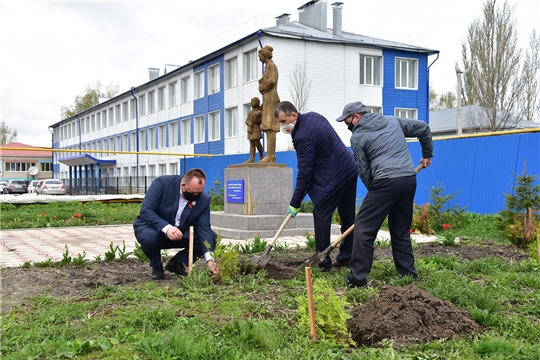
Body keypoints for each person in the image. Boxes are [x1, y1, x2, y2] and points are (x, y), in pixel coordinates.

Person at [336, 101, 433, 287]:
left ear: (356, 117)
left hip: (386, 181)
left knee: (364, 228)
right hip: (408, 178)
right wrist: (427, 154)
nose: (346, 125)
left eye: (346, 121)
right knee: (400, 230)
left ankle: (357, 278)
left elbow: (363, 169)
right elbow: (423, 128)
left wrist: (374, 190)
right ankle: (408, 276)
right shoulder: (392, 121)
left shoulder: (357, 136)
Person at [274, 101, 357, 271]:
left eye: (283, 121)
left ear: (294, 115)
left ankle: (323, 262)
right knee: (348, 217)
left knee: (321, 213)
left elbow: (305, 173)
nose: (281, 126)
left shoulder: (302, 136)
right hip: (349, 167)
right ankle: (348, 256)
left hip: (336, 176)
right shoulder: (313, 116)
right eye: (279, 122)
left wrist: (295, 202)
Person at [133, 168, 219, 280]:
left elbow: (204, 228)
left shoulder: (204, 200)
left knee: (212, 237)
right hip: (154, 229)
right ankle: (156, 265)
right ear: (183, 184)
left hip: (180, 233)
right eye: (192, 192)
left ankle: (177, 262)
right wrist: (167, 228)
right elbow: (146, 211)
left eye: (199, 193)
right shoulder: (162, 184)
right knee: (149, 237)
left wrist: (210, 259)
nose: (195, 196)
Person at [258, 45, 280, 163]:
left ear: (264, 55)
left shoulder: (271, 66)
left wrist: (262, 87)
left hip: (271, 99)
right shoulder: (267, 66)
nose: (259, 58)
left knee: (271, 128)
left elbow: (271, 81)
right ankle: (269, 155)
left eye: (260, 55)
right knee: (267, 128)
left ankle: (271, 156)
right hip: (268, 99)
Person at [244, 97, 264, 163]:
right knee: (251, 143)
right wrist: (250, 124)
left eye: (253, 101)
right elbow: (246, 121)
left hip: (256, 128)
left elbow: (261, 120)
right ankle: (251, 158)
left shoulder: (259, 112)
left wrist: (255, 121)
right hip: (250, 129)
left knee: (257, 142)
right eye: (251, 101)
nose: (251, 103)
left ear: (257, 103)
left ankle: (261, 156)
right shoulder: (250, 113)